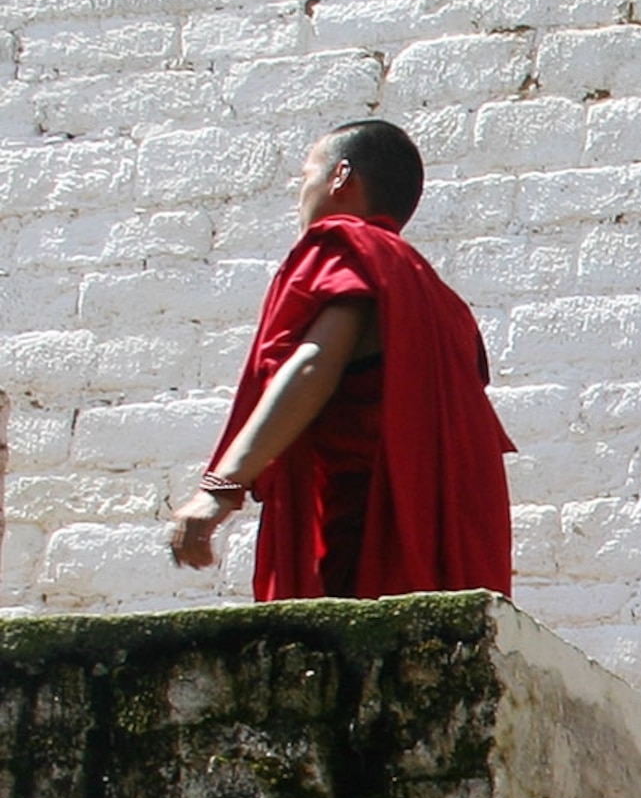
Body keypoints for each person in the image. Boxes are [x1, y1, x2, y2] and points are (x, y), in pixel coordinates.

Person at [168, 119, 512, 598]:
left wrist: (220, 489)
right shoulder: (441, 301)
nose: (301, 193)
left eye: (307, 175)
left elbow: (313, 364)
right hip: (439, 531)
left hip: (366, 522)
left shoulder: (348, 248)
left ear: (340, 176)